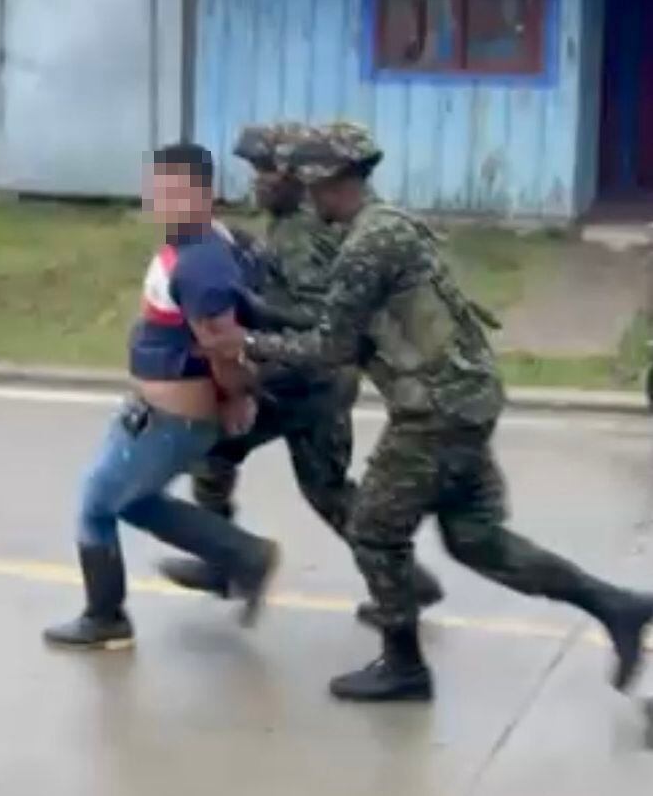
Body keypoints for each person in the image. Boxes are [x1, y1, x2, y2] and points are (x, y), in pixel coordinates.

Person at [230, 122, 653, 702]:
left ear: (332, 184)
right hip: (467, 399)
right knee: (475, 537)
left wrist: (249, 345)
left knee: (374, 530)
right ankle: (616, 606)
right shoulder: (389, 225)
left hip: (436, 411)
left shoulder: (365, 245)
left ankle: (404, 667)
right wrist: (257, 309)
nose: (304, 197)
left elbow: (332, 347)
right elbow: (344, 322)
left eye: (309, 186)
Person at [158, 124, 444, 627]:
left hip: (301, 376)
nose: (257, 184)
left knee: (212, 446)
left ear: (299, 177)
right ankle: (408, 582)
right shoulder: (306, 219)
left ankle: (229, 560)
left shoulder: (301, 231)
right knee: (327, 489)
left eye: (267, 172)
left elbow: (315, 317)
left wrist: (247, 310)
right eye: (253, 172)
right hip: (328, 379)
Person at [44, 142, 281, 651]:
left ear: (206, 194)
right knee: (133, 501)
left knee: (96, 504)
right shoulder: (200, 243)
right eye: (158, 188)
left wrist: (236, 396)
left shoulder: (199, 264)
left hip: (170, 421)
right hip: (167, 417)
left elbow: (223, 346)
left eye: (178, 191)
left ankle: (105, 617)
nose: (163, 200)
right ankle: (243, 555)